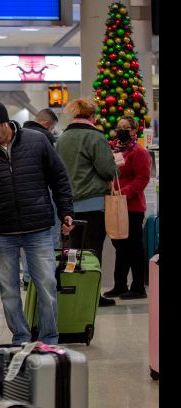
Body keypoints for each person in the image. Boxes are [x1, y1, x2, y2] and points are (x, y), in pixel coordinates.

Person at [0, 100, 75, 345]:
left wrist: (66, 210)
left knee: (46, 284)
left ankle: (49, 339)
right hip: (3, 233)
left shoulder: (37, 141)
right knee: (9, 290)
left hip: (39, 229)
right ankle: (21, 338)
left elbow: (59, 177)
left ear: (5, 123)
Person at [55, 98, 120, 307]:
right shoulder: (95, 137)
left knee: (73, 250)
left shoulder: (62, 139)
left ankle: (75, 290)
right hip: (93, 204)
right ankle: (93, 294)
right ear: (92, 117)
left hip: (69, 207)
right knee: (93, 251)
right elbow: (107, 169)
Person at [102, 116, 151, 299]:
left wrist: (124, 192)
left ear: (133, 131)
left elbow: (142, 178)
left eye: (126, 128)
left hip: (132, 207)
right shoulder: (111, 149)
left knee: (134, 247)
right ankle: (120, 285)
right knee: (120, 247)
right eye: (119, 127)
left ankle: (138, 287)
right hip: (115, 205)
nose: (121, 130)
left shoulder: (138, 152)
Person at [20, 108, 60, 287]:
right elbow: (55, 170)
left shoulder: (17, 136)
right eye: (52, 128)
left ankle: (28, 277)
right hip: (44, 193)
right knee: (47, 237)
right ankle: (44, 277)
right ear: (46, 124)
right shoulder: (46, 138)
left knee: (26, 239)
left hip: (22, 196)